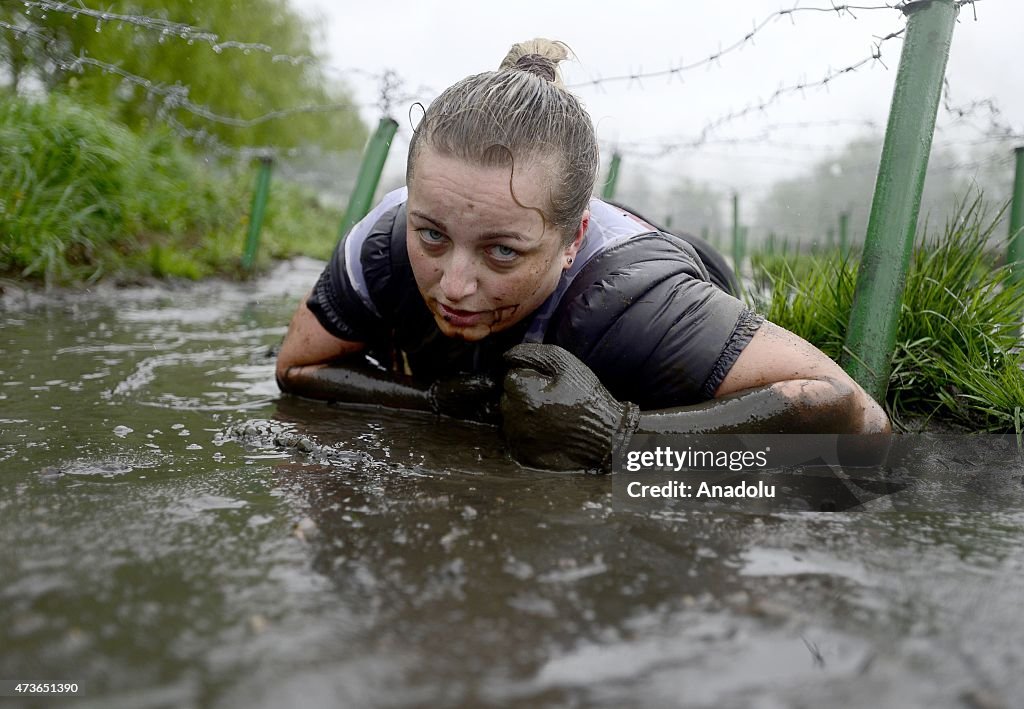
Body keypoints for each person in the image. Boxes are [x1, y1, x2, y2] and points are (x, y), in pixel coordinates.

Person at [276, 38, 890, 472]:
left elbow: (864, 423)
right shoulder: (382, 241)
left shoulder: (639, 304)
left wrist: (622, 439)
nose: (454, 285)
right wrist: (432, 405)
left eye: (501, 251)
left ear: (572, 240)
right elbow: (295, 371)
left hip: (671, 275)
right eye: (432, 236)